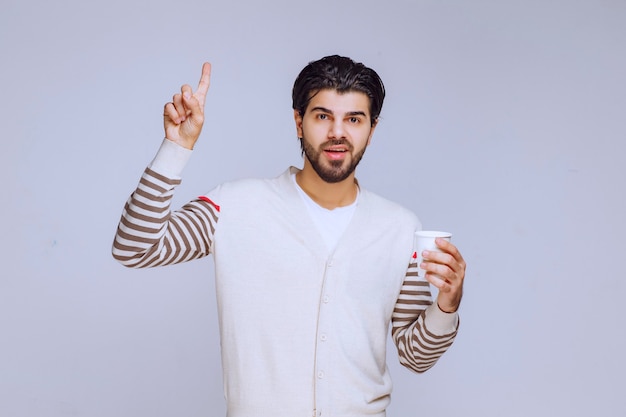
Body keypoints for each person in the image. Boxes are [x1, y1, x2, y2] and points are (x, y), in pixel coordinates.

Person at [112, 55, 466, 417]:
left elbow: (415, 356)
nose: (337, 133)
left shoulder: (401, 229)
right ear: (299, 122)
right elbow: (135, 247)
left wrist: (447, 304)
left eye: (354, 119)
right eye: (322, 116)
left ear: (371, 131)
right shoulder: (234, 206)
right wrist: (176, 147)